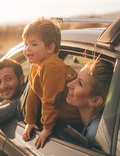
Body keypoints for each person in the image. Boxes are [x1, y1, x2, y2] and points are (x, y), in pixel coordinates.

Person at [22, 17, 82, 149]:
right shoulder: (36, 66)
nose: (27, 49)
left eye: (34, 44)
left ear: (50, 48)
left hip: (74, 121)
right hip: (62, 119)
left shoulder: (51, 66)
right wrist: (30, 121)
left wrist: (47, 128)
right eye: (25, 44)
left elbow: (51, 100)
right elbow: (33, 94)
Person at [66, 59, 113, 147]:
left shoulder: (94, 134)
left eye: (80, 83)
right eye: (76, 78)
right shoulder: (95, 125)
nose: (69, 84)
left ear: (95, 101)